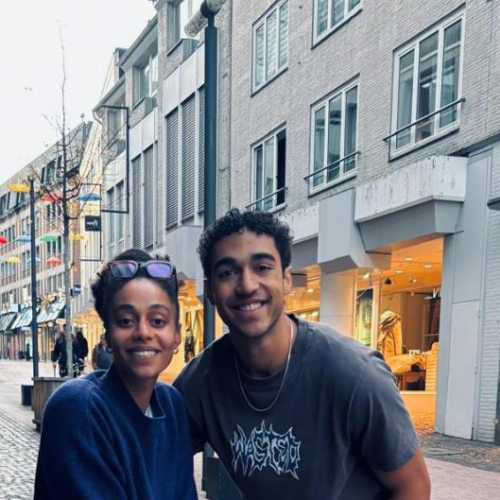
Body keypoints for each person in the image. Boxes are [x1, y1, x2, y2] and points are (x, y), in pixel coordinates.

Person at [174, 209, 431, 499]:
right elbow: (153, 451)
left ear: (286, 279)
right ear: (210, 291)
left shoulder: (355, 374)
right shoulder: (201, 382)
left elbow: (413, 486)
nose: (247, 285)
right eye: (227, 273)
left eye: (262, 267)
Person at [35, 249, 197, 500]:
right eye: (125, 321)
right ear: (107, 336)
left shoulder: (171, 404)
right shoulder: (78, 407)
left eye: (157, 321)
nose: (143, 332)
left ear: (176, 334)